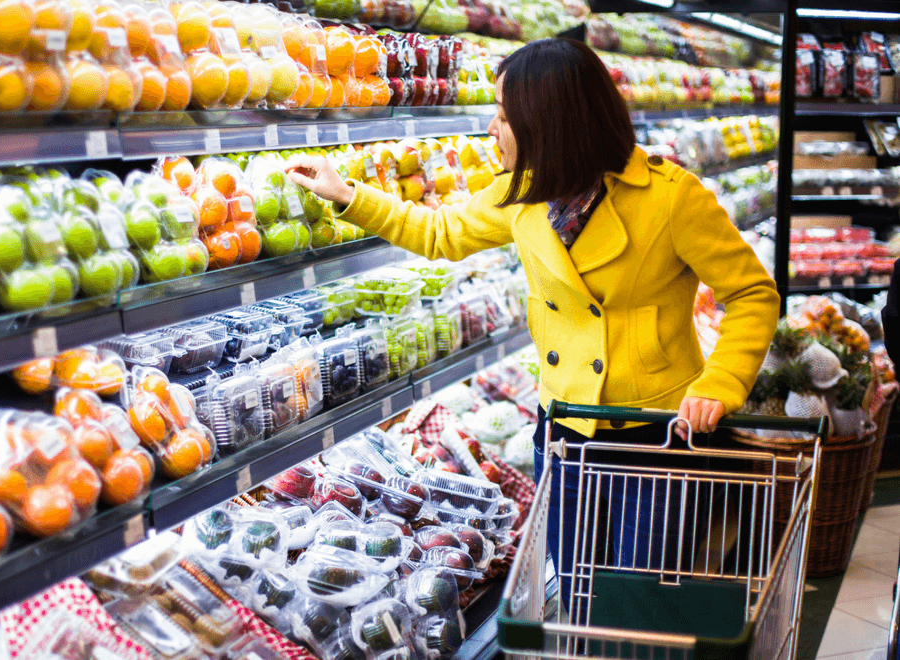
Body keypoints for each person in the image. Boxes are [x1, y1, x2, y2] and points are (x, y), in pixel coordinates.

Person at [285, 38, 779, 599]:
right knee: (572, 588)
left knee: (638, 598)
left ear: (551, 123)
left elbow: (753, 294)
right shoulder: (522, 195)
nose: (492, 130)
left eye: (503, 117)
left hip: (655, 436)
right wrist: (347, 193)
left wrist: (722, 381)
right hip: (564, 428)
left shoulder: (671, 199)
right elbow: (438, 232)